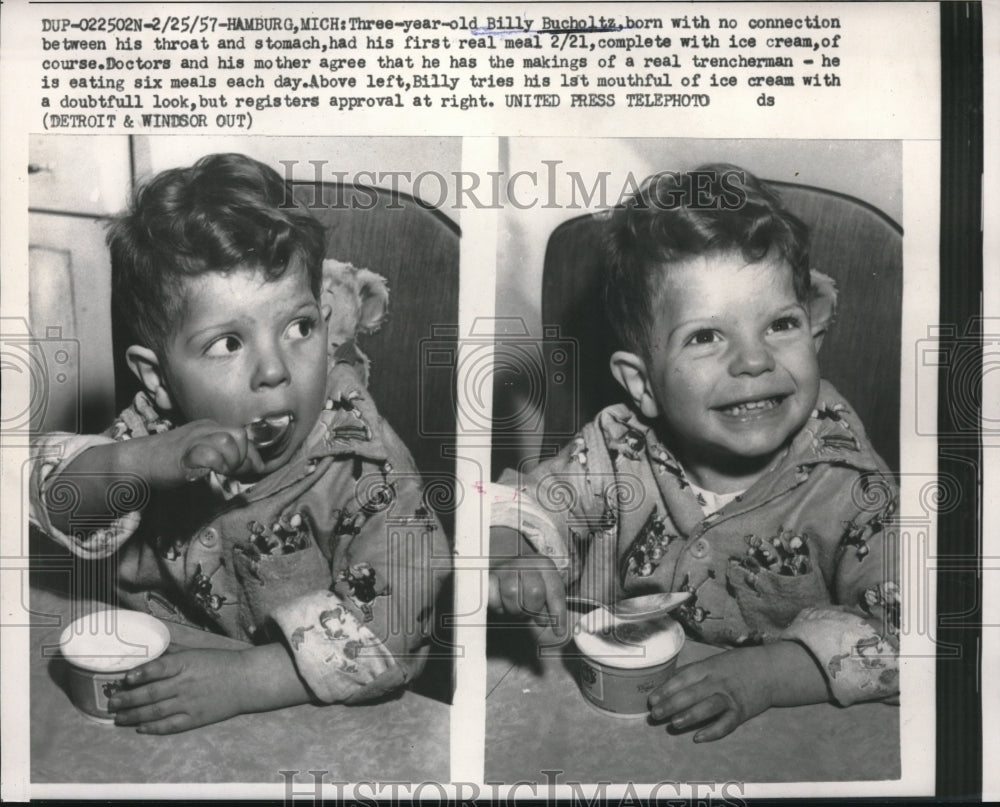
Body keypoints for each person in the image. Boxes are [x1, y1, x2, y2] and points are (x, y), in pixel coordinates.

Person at [30, 153, 450, 733]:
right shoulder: (154, 430)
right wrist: (137, 463)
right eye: (229, 343)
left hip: (310, 720)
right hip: (149, 707)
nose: (275, 370)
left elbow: (396, 628)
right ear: (157, 378)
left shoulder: (365, 461)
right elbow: (51, 498)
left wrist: (247, 680)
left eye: (299, 327)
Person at [488, 164, 899, 741]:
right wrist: (512, 555)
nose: (754, 361)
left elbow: (910, 631)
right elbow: (516, 507)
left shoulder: (851, 482)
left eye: (780, 324)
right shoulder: (616, 446)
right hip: (609, 730)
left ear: (815, 334)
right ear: (643, 385)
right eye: (706, 336)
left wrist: (769, 677)